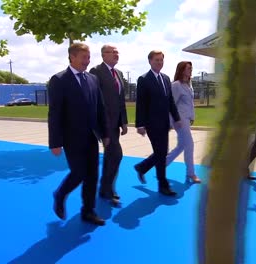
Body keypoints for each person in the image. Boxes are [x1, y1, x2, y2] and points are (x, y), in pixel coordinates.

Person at [48, 43, 110, 226]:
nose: (87, 61)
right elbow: (55, 113)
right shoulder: (59, 80)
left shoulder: (92, 79)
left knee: (92, 175)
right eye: (83, 57)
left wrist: (105, 133)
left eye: (88, 57)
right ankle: (60, 194)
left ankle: (88, 211)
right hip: (71, 137)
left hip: (91, 136)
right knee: (79, 172)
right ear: (72, 57)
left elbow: (100, 108)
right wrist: (55, 142)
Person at [134, 50, 182, 196]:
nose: (159, 63)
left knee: (162, 152)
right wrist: (140, 124)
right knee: (161, 153)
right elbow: (140, 103)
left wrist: (177, 118)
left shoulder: (166, 79)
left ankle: (142, 167)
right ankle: (163, 185)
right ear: (149, 61)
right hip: (151, 123)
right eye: (156, 60)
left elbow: (170, 101)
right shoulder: (143, 79)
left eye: (161, 60)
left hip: (164, 123)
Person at [90, 44, 128, 205]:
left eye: (117, 52)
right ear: (103, 55)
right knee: (116, 154)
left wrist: (124, 121)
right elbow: (94, 100)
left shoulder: (118, 73)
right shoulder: (96, 72)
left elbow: (120, 100)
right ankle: (106, 188)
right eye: (112, 52)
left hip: (115, 124)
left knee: (110, 156)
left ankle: (106, 189)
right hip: (103, 123)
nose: (116, 54)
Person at [166, 61, 201, 183]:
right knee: (190, 145)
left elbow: (190, 104)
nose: (190, 70)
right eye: (188, 68)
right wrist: (173, 121)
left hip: (186, 119)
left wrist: (192, 117)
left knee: (181, 146)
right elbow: (171, 104)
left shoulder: (189, 84)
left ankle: (162, 164)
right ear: (181, 70)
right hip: (179, 120)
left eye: (191, 68)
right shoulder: (176, 85)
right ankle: (191, 173)